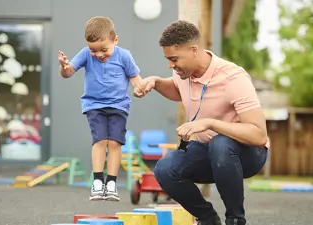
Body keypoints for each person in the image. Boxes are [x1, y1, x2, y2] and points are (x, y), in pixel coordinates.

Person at [134, 20, 269, 225]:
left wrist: (210, 123)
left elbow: (258, 136)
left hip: (248, 154)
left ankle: (235, 219)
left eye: (174, 59)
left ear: (194, 50)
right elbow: (178, 90)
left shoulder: (233, 78)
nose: (170, 65)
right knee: (165, 168)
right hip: (210, 152)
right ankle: (208, 219)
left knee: (221, 143)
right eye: (168, 59)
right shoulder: (182, 73)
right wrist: (156, 82)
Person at [58, 16, 143, 201]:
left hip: (119, 106)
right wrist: (64, 67)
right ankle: (97, 181)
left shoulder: (124, 56)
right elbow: (68, 72)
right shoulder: (85, 54)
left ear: (115, 40)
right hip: (94, 105)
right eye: (93, 50)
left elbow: (135, 78)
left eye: (104, 49)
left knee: (114, 143)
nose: (98, 54)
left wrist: (139, 88)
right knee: (100, 141)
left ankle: (111, 182)